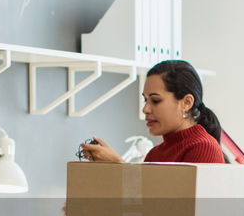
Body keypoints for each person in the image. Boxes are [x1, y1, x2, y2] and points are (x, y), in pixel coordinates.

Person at [78, 60, 225, 163]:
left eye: (155, 101)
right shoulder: (154, 154)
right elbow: (141, 204)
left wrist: (118, 165)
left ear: (186, 103)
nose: (145, 109)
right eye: (145, 100)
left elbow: (174, 207)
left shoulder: (204, 148)